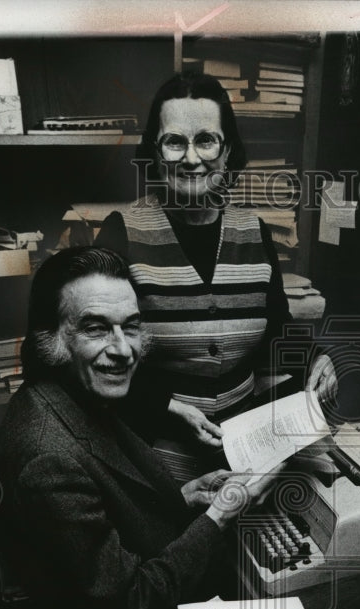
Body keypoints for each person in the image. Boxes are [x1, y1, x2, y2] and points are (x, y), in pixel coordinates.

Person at [0, 246, 279, 609]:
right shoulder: (47, 460)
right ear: (52, 337)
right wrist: (221, 516)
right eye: (96, 328)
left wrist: (186, 496)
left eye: (131, 326)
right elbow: (129, 602)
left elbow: (108, 514)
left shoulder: (75, 392)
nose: (123, 349)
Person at [95, 70, 336, 480]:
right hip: (154, 467)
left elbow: (276, 334)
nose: (192, 158)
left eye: (206, 140)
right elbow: (94, 355)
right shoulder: (123, 233)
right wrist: (166, 408)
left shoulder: (255, 231)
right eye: (174, 142)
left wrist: (317, 359)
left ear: (227, 152)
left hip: (246, 463)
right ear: (155, 153)